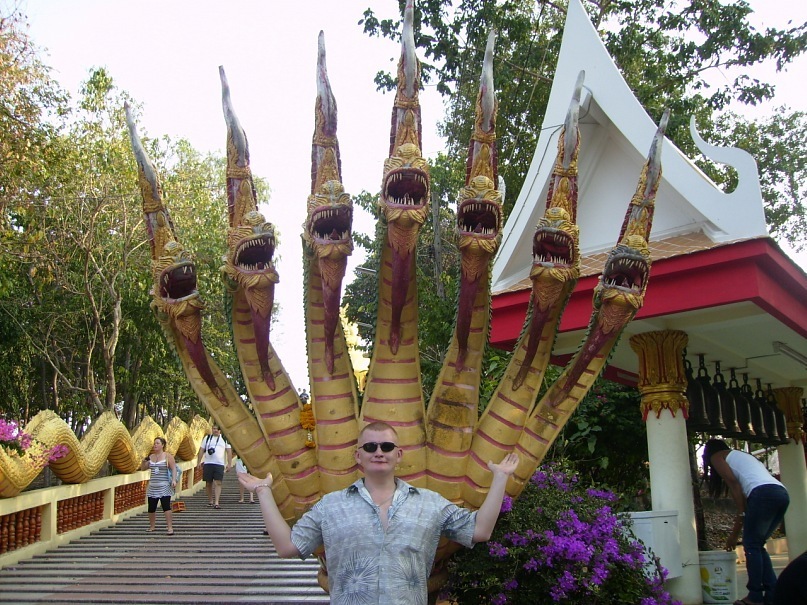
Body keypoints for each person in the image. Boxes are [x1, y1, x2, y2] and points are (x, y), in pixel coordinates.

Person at [238, 421, 519, 604]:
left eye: (387, 446)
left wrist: (500, 478)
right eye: (370, 446)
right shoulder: (331, 506)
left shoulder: (429, 503)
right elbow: (287, 547)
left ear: (399, 454)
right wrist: (263, 491)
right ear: (358, 455)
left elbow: (480, 530)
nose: (379, 452)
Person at [703, 438, 790, 605]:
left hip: (763, 493)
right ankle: (772, 594)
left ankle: (755, 596)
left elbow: (734, 485)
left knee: (751, 545)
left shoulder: (717, 456)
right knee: (756, 545)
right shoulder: (742, 456)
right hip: (781, 493)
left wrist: (735, 530)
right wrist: (736, 530)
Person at [140, 436, 177, 535]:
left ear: (162, 445)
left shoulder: (167, 456)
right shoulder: (151, 456)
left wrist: (174, 480)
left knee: (166, 506)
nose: (155, 445)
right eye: (154, 443)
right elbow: (143, 468)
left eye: (157, 443)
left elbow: (174, 468)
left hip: (164, 485)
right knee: (151, 508)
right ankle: (152, 526)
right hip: (153, 486)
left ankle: (170, 527)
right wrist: (144, 461)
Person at [196, 424, 232, 509]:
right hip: (208, 463)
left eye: (217, 429)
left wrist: (229, 464)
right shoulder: (207, 438)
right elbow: (201, 450)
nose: (215, 430)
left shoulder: (225, 439)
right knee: (208, 483)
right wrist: (198, 462)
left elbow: (229, 451)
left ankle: (216, 502)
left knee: (218, 482)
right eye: (214, 429)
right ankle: (210, 501)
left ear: (220, 430)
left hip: (219, 464)